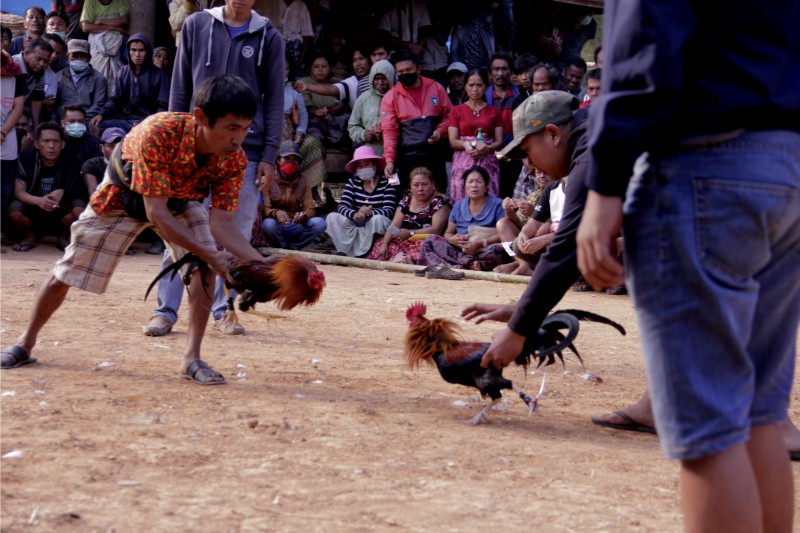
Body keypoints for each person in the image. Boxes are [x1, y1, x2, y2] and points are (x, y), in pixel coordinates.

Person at [575, 2, 799, 530]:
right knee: (758, 415)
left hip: (706, 165)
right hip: (788, 162)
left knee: (711, 430)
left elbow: (646, 36)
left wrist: (605, 184)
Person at [0, 74, 262, 387]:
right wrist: (210, 253)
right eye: (232, 128)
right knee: (65, 271)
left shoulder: (234, 159)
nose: (239, 139)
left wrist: (264, 264)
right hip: (122, 196)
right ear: (202, 118)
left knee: (203, 269)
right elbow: (156, 212)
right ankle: (25, 342)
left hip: (179, 200)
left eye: (246, 129)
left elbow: (223, 223)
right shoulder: (160, 131)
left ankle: (191, 357)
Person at [146, 0, 284, 338]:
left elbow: (275, 98)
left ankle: (225, 310)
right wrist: (176, 141)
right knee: (180, 232)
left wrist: (270, 153)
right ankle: (165, 310)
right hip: (195, 146)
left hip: (246, 150)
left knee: (233, 232)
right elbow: (180, 86)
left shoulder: (269, 36)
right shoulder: (195, 25)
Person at [380, 50, 451, 193]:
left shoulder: (436, 88)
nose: (405, 73)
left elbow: (450, 116)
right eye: (400, 72)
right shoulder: (390, 97)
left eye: (408, 70)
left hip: (434, 154)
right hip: (406, 157)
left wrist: (440, 131)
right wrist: (389, 160)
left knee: (438, 195)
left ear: (419, 68)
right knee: (407, 198)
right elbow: (389, 132)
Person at [9, 122, 86, 251]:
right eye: (46, 141)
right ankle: (30, 237)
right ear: (36, 144)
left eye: (56, 141)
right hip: (33, 206)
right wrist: (38, 200)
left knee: (80, 209)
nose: (51, 146)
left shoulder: (70, 158)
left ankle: (63, 237)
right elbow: (19, 191)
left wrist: (62, 192)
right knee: (14, 210)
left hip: (60, 209)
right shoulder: (27, 157)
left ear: (62, 144)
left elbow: (77, 190)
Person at [418, 165, 507, 272]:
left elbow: (504, 233)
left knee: (498, 251)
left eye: (478, 181)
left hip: (485, 250)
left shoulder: (498, 204)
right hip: (461, 251)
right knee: (430, 240)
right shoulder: (458, 206)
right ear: (464, 186)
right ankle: (468, 264)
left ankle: (454, 266)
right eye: (470, 182)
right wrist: (452, 239)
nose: (474, 185)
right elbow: (448, 233)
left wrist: (480, 243)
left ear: (486, 186)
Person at [366, 167, 450, 264]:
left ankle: (403, 259)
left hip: (425, 241)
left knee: (426, 245)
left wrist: (411, 233)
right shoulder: (406, 202)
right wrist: (385, 243)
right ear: (410, 187)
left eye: (425, 184)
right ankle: (402, 258)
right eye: (416, 185)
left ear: (433, 185)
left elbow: (436, 230)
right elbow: (394, 226)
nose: (420, 189)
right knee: (381, 243)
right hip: (406, 241)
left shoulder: (439, 201)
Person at [325, 146, 398, 257]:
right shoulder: (353, 181)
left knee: (379, 220)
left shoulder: (388, 182)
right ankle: (344, 251)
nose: (363, 168)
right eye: (359, 166)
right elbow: (342, 206)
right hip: (356, 222)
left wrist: (369, 213)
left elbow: (389, 210)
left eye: (367, 164)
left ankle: (370, 251)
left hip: (373, 225)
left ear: (375, 165)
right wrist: (355, 214)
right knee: (332, 217)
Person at [89, 34, 170, 134]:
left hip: (150, 123)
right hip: (127, 121)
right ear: (128, 51)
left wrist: (148, 122)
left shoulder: (160, 75)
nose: (137, 54)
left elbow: (163, 107)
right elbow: (115, 100)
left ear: (148, 52)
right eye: (133, 50)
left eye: (141, 50)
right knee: (95, 125)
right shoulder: (123, 72)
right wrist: (101, 114)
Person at [447, 68, 503, 203]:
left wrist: (487, 148)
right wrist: (470, 144)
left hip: (487, 159)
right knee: (462, 193)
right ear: (465, 86)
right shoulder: (456, 111)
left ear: (486, 87)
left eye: (479, 85)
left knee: (488, 192)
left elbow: (499, 141)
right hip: (463, 159)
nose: (475, 89)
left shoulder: (495, 111)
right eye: (471, 85)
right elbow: (453, 141)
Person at [259, 140, 326, 250]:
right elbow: (265, 209)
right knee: (268, 225)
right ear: (278, 160)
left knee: (319, 223)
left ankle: (293, 248)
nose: (291, 162)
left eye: (295, 160)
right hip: (276, 225)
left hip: (295, 225)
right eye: (287, 159)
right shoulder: (267, 180)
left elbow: (311, 209)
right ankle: (280, 248)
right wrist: (276, 213)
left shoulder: (304, 181)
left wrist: (303, 216)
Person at [280, 55, 326, 202]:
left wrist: (300, 132)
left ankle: (311, 189)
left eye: (286, 68)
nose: (283, 71)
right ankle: (282, 192)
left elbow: (303, 115)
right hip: (271, 134)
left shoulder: (293, 90)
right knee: (286, 147)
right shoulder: (263, 88)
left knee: (312, 143)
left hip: (291, 132)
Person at [293, 44, 373, 110]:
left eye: (361, 58)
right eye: (354, 60)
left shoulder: (382, 78)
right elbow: (330, 89)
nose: (357, 63)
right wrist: (307, 86)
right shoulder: (350, 83)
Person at [298, 51, 350, 149]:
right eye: (316, 66)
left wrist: (339, 108)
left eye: (324, 66)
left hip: (332, 119)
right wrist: (316, 112)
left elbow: (343, 104)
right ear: (310, 69)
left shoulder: (334, 85)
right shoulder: (303, 83)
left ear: (330, 69)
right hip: (312, 120)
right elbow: (305, 109)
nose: (320, 70)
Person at [1, 50, 27, 242]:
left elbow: (18, 105)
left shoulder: (14, 70)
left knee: (4, 189)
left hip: (5, 137)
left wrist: (3, 131)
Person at [347, 59, 395, 155]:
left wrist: (387, 132)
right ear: (371, 79)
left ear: (391, 78)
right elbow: (352, 127)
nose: (380, 82)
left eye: (384, 78)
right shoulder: (363, 99)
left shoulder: (399, 97)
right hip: (372, 155)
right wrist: (363, 134)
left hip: (396, 153)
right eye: (377, 78)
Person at [56, 39, 108, 122]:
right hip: (62, 120)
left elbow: (99, 105)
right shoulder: (58, 77)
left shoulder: (99, 78)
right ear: (67, 57)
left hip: (87, 120)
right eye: (74, 56)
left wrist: (80, 119)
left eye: (83, 56)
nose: (78, 59)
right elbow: (54, 104)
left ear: (89, 58)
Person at [80, 0, 129, 87]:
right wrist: (113, 27)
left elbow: (124, 20)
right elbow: (86, 27)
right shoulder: (90, 1)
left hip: (116, 46)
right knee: (96, 78)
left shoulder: (120, 1)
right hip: (97, 45)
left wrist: (101, 21)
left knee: (117, 79)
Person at [12, 38, 53, 131]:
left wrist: (36, 128)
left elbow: (36, 100)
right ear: (27, 53)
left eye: (46, 61)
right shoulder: (11, 66)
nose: (42, 64)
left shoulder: (39, 71)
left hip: (19, 112)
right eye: (38, 59)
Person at [80, 126, 125, 194]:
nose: (116, 150)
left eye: (120, 146)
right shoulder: (91, 165)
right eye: (111, 146)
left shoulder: (131, 165)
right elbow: (93, 193)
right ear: (101, 148)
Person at [60, 105, 101, 169]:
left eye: (80, 121)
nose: (77, 124)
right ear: (62, 123)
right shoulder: (57, 140)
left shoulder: (94, 142)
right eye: (71, 121)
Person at [280, 0, 314, 79]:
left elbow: (306, 37)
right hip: (278, 45)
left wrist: (299, 61)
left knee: (295, 78)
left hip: (294, 49)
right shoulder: (276, 4)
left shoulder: (301, 6)